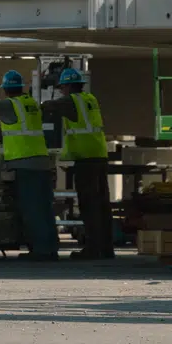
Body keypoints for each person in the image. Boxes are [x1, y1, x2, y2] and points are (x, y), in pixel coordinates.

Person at [0, 70, 58, 261]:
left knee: (32, 208)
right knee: (44, 207)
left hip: (24, 162)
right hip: (41, 161)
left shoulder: (9, 104)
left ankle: (41, 251)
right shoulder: (31, 103)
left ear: (6, 89)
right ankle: (50, 248)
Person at [52, 66, 113, 260]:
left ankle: (93, 249)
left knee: (89, 205)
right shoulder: (90, 99)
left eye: (62, 87)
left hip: (86, 160)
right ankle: (106, 249)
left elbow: (48, 108)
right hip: (99, 155)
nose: (61, 90)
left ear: (68, 87)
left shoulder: (71, 101)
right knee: (102, 205)